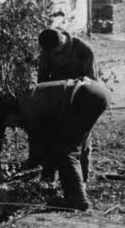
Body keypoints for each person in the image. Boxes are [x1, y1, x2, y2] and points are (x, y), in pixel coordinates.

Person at [17, 75, 110, 211]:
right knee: (76, 143)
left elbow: (38, 144)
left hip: (85, 95)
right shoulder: (29, 98)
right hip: (97, 91)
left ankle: (77, 200)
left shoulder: (26, 105)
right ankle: (78, 188)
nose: (14, 126)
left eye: (10, 122)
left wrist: (30, 172)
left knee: (66, 149)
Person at [34, 28, 97, 182]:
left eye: (55, 52)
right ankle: (48, 181)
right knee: (51, 138)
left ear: (62, 43)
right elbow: (42, 79)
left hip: (81, 98)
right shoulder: (47, 50)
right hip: (57, 100)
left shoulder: (83, 50)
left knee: (80, 142)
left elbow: (91, 81)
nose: (52, 55)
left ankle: (81, 183)